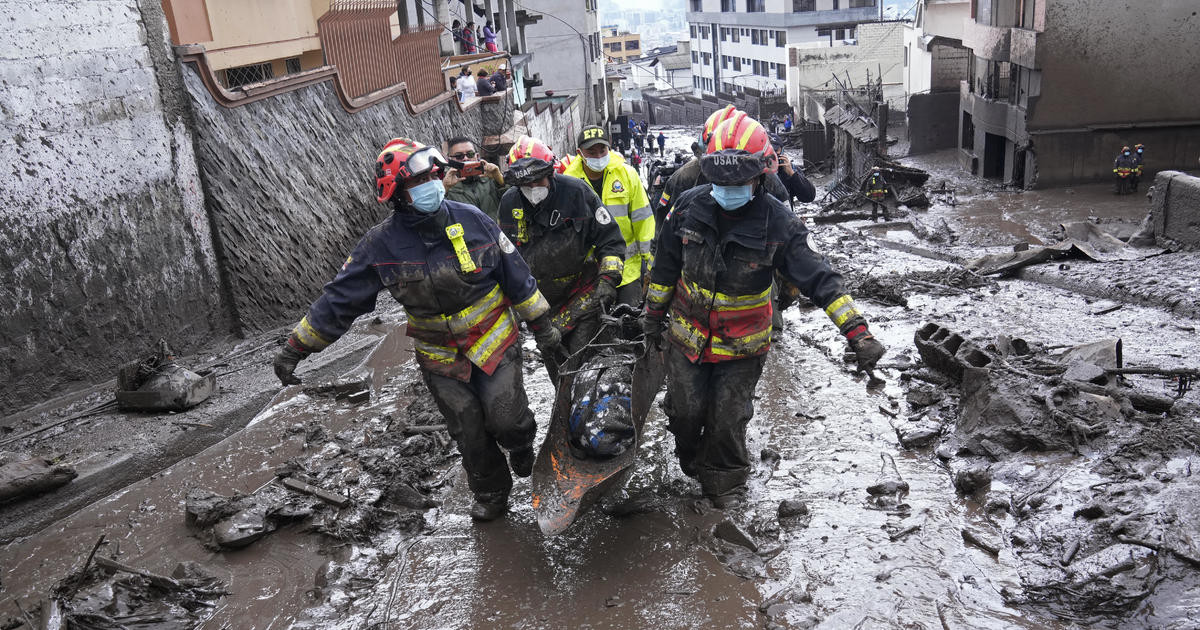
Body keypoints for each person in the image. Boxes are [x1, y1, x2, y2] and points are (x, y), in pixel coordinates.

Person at [272, 138, 560, 521]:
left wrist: (543, 326)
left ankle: (521, 442)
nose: (432, 184)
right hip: (441, 358)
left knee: (506, 417)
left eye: (433, 175)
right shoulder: (380, 245)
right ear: (397, 193)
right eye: (419, 180)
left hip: (494, 342)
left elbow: (517, 276)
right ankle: (491, 492)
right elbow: (338, 301)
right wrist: (296, 347)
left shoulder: (473, 220)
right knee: (469, 431)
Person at [641, 115, 886, 508]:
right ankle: (690, 456)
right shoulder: (687, 208)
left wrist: (857, 331)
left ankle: (726, 490)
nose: (729, 190)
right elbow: (665, 266)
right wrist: (652, 318)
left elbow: (820, 278)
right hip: (688, 341)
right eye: (722, 182)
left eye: (738, 182)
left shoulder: (780, 222)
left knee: (727, 420)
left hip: (741, 347)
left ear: (758, 177)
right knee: (685, 413)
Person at [497, 136, 626, 382]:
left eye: (539, 179)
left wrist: (608, 281)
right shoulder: (509, 203)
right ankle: (564, 410)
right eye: (527, 183)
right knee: (557, 367)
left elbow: (611, 241)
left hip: (582, 294)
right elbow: (507, 260)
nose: (534, 187)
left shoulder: (577, 193)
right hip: (541, 304)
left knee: (582, 361)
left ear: (551, 172)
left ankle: (590, 408)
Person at [654, 106, 811, 233]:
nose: (728, 179)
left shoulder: (770, 182)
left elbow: (789, 229)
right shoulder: (685, 179)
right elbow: (663, 229)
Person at [561, 125, 656, 307]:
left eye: (602, 150)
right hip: (588, 275)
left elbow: (643, 222)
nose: (598, 156)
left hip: (627, 271)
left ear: (609, 147)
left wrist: (652, 267)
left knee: (631, 324)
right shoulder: (568, 182)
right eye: (592, 152)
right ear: (579, 153)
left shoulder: (627, 174)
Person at [443, 136, 505, 221]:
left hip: (496, 232)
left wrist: (499, 177)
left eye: (470, 154)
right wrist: (444, 188)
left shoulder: (490, 175)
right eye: (459, 156)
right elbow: (438, 215)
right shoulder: (444, 183)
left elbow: (510, 201)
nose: (466, 158)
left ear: (477, 156)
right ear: (449, 160)